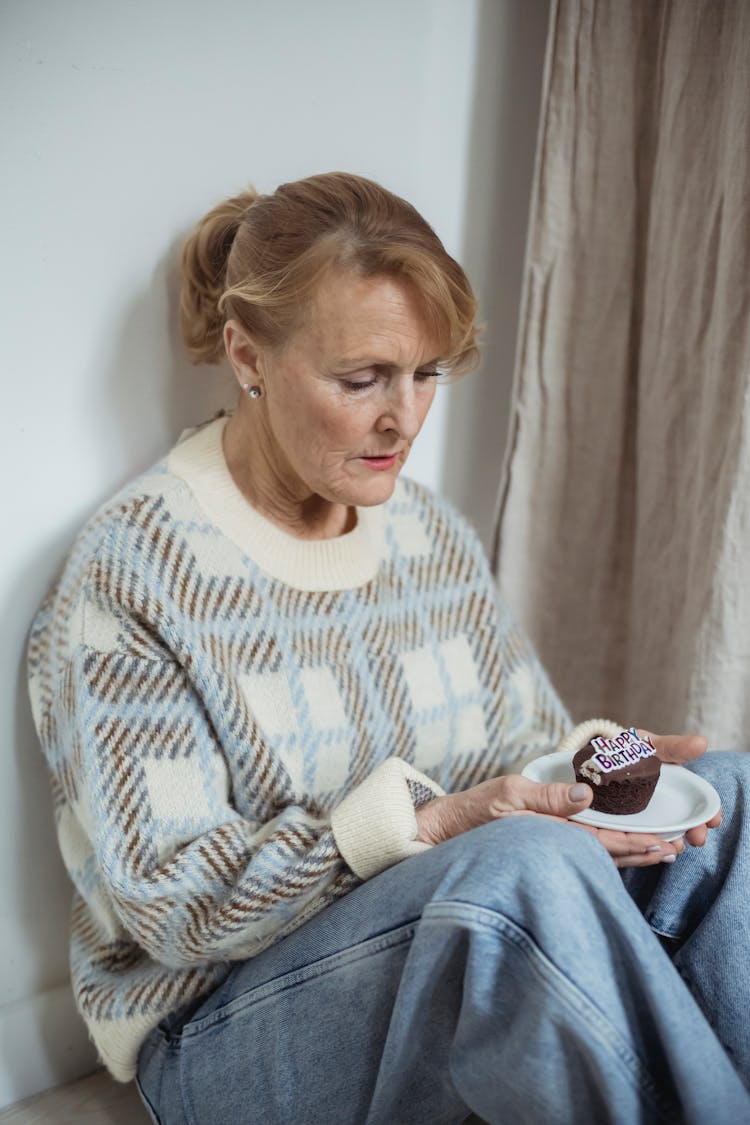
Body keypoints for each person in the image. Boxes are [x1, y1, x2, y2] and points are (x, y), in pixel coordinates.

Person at [27, 172, 750, 1125]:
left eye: (427, 373)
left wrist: (592, 774)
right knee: (523, 869)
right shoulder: (132, 577)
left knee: (728, 797)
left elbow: (522, 740)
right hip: (214, 1039)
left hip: (421, 945)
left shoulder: (425, 533)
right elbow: (172, 903)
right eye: (361, 378)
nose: (403, 420)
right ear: (248, 353)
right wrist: (431, 824)